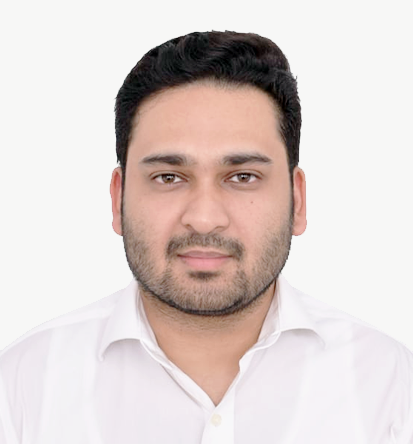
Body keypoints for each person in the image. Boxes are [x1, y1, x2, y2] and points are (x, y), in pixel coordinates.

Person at [0, 30, 412, 444]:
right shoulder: (24, 385)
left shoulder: (392, 387)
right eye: (168, 177)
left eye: (243, 177)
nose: (203, 219)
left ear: (298, 200)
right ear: (118, 199)